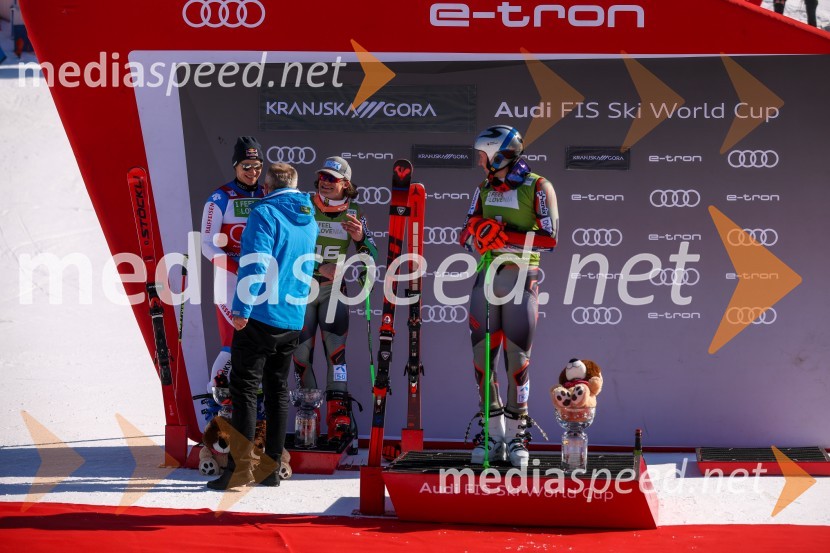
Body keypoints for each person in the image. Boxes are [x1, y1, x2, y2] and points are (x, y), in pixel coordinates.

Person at [207, 163, 318, 490]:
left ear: (267, 188)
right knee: (277, 390)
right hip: (293, 317)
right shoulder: (308, 215)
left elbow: (255, 264)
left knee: (243, 391)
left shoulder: (264, 212)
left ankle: (239, 471)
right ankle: (270, 470)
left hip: (260, 315)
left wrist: (240, 308)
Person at [458, 125, 559, 468]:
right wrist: (478, 232)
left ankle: (518, 434)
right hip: (486, 279)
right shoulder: (484, 187)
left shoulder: (539, 186)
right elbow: (465, 233)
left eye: (482, 155)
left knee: (518, 363)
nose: (479, 162)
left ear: (499, 154)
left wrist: (505, 236)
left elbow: (550, 237)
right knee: (482, 361)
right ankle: (492, 432)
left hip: (521, 280)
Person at [293, 156, 377, 448]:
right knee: (301, 357)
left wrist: (362, 237)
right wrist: (317, 269)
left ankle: (338, 420)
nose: (325, 183)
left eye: (332, 179)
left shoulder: (354, 213)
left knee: (336, 357)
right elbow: (285, 248)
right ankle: (308, 419)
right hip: (301, 290)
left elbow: (372, 254)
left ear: (346, 184)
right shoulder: (304, 205)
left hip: (333, 293)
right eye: (322, 178)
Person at [200, 136, 265, 421]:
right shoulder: (220, 197)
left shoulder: (267, 193)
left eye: (258, 166)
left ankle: (253, 410)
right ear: (236, 166)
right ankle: (217, 407)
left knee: (258, 346)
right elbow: (206, 243)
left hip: (261, 282)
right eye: (247, 166)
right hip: (228, 281)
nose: (252, 172)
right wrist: (235, 265)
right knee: (231, 343)